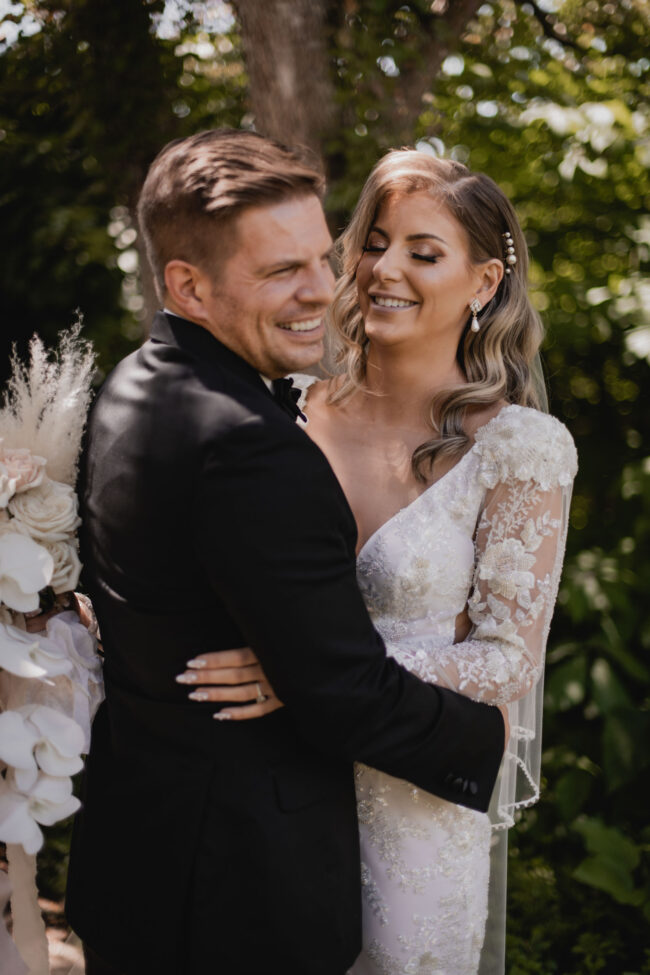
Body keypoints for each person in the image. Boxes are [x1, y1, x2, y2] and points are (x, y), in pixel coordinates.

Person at [64, 130, 507, 975]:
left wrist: (301, 663)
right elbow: (344, 693)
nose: (327, 290)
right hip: (243, 888)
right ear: (187, 285)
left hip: (141, 858)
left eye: (323, 256)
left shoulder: (132, 383)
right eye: (281, 272)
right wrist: (484, 735)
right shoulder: (252, 444)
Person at [179, 150, 578, 973]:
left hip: (412, 811)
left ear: (484, 282)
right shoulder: (281, 411)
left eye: (423, 252)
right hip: (270, 790)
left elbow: (506, 661)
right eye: (374, 241)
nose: (382, 268)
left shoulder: (521, 448)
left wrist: (313, 671)